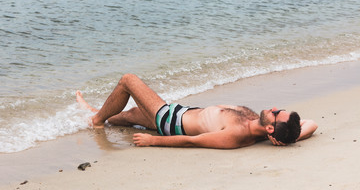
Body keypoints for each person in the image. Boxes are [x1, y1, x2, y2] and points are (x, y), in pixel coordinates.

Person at [76, 73, 318, 149]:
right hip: (179, 111)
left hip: (169, 121)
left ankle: (96, 119)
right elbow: (312, 123)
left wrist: (154, 141)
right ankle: (100, 114)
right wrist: (285, 139)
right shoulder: (259, 124)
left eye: (277, 114)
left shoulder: (235, 135)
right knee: (129, 117)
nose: (274, 109)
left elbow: (194, 141)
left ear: (269, 127)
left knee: (128, 80)